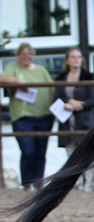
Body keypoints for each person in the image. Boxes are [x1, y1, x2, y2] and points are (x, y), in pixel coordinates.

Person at [0, 42, 54, 190]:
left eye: (29, 54)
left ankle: (38, 182)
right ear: (18, 55)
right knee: (28, 150)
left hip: (44, 115)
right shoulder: (12, 67)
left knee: (40, 151)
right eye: (23, 54)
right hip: (22, 117)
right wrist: (17, 81)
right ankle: (26, 182)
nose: (27, 56)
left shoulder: (41, 70)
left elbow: (52, 88)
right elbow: (2, 79)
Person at [53, 47, 94, 192]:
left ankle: (89, 185)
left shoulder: (88, 76)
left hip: (84, 120)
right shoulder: (61, 78)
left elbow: (93, 100)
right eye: (73, 57)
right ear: (67, 60)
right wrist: (69, 102)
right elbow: (57, 98)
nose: (76, 60)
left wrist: (79, 105)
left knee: (88, 155)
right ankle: (76, 185)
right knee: (71, 154)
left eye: (78, 57)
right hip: (67, 121)